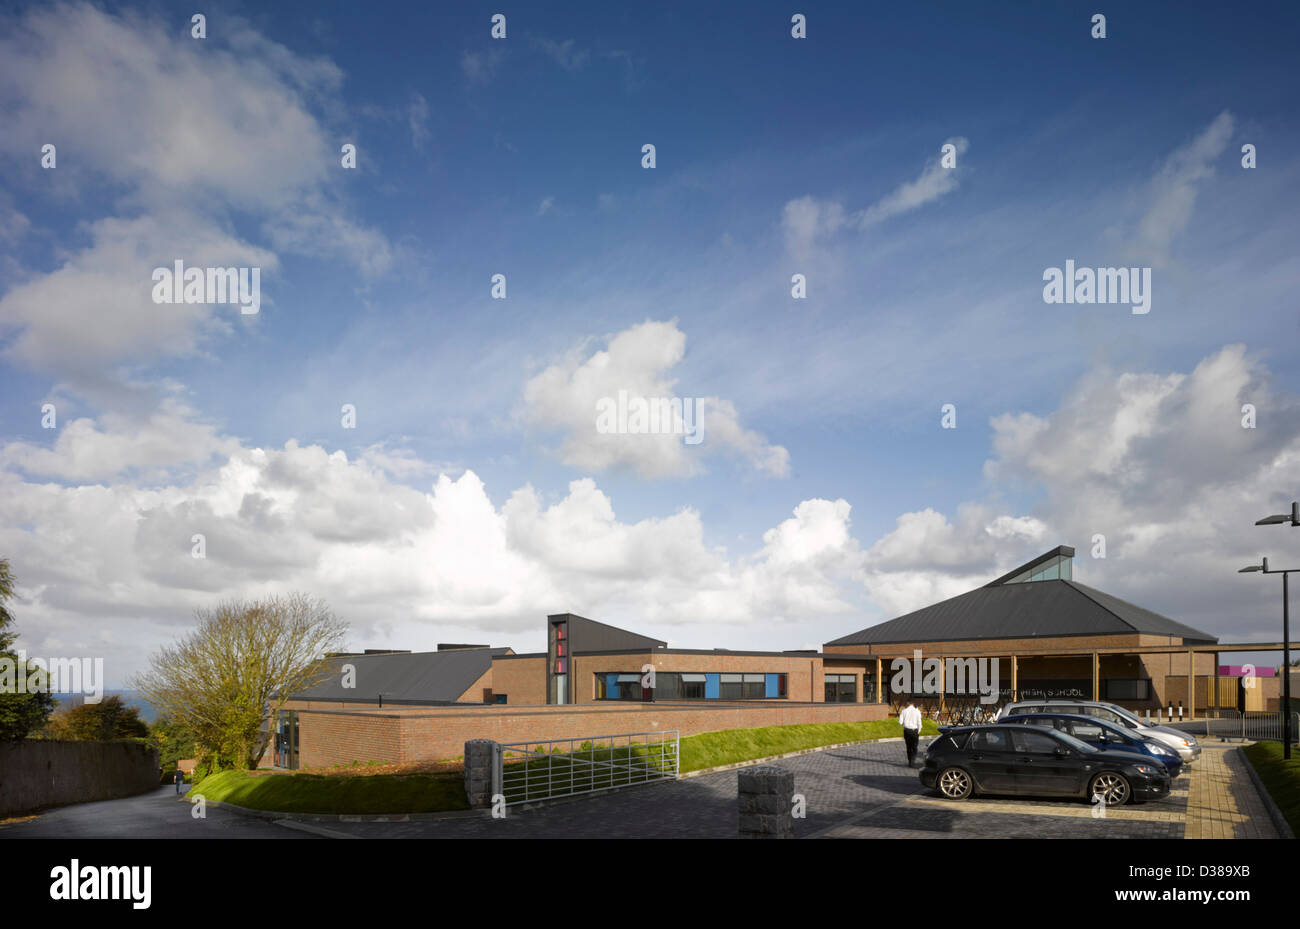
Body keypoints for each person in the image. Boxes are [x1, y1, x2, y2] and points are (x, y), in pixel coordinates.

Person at [899, 697, 923, 766]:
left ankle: (910, 761)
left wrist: (905, 724)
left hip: (907, 731)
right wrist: (919, 730)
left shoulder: (904, 711)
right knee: (915, 747)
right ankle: (913, 759)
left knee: (908, 747)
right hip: (914, 731)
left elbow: (900, 722)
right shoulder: (917, 711)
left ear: (908, 703)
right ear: (913, 703)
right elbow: (919, 722)